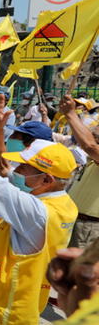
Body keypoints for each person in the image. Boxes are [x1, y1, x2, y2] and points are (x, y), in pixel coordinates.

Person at [0, 94, 79, 324]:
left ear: (46, 179)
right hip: (8, 301)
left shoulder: (36, 211)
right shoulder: (62, 202)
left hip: (3, 310)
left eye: (25, 168)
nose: (17, 170)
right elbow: (2, 166)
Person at [59, 95, 99, 249]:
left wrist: (70, 114)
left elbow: (89, 145)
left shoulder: (93, 151)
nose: (94, 127)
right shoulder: (91, 158)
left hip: (88, 229)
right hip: (79, 224)